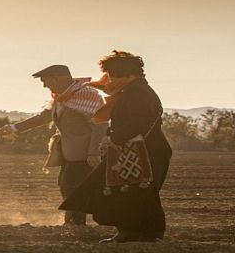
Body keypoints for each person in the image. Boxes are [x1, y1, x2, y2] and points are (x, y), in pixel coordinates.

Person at [60, 50, 172, 242]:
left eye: (112, 75)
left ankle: (131, 232)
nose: (109, 79)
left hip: (139, 150)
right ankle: (147, 233)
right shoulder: (135, 90)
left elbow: (139, 122)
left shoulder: (136, 93)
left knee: (128, 190)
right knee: (139, 191)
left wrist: (114, 139)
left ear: (128, 75)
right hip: (144, 149)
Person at [0, 64, 107, 225]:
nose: (44, 85)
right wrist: (14, 128)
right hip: (69, 151)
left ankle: (76, 223)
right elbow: (44, 117)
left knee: (71, 186)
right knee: (67, 185)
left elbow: (100, 124)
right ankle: (74, 221)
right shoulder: (63, 96)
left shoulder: (86, 94)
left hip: (83, 152)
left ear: (58, 78)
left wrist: (93, 152)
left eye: (45, 80)